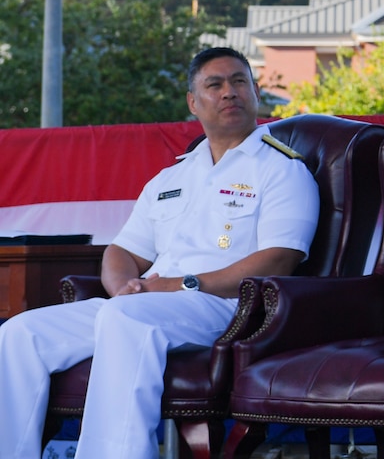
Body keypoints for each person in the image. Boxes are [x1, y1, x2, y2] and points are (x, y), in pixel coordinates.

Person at [0, 47, 318, 459]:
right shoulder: (172, 177)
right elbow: (122, 251)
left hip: (227, 306)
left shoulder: (282, 169)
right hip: (145, 304)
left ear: (256, 93)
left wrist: (179, 285)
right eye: (214, 84)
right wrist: (122, 289)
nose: (229, 93)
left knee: (124, 318)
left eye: (239, 81)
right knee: (19, 334)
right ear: (193, 102)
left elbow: (280, 259)